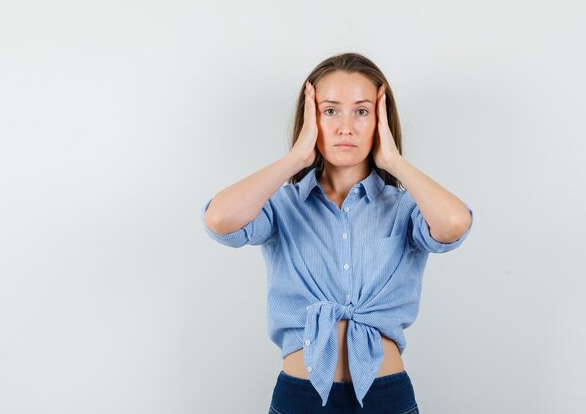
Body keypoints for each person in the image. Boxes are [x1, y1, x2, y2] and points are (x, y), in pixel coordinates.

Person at [200, 52, 474, 414]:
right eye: (330, 111)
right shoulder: (281, 205)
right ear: (310, 118)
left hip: (386, 397)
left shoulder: (405, 206)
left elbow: (455, 224)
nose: (346, 127)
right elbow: (220, 219)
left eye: (361, 111)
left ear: (381, 120)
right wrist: (297, 158)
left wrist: (392, 161)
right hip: (301, 397)